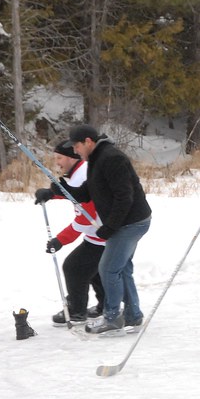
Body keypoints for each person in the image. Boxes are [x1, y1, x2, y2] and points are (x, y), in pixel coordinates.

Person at [57, 124, 152, 335]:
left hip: (132, 222)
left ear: (88, 142)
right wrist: (58, 190)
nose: (74, 151)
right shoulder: (96, 158)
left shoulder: (111, 158)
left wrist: (110, 227)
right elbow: (88, 192)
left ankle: (112, 318)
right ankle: (133, 316)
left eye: (77, 146)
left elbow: (124, 196)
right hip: (127, 221)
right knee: (122, 268)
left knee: (108, 269)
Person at [34, 139, 106, 326]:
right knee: (94, 269)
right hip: (98, 234)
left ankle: (76, 311)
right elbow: (75, 193)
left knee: (73, 267)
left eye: (59, 157)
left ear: (72, 158)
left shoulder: (82, 174)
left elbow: (86, 216)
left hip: (102, 234)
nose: (56, 162)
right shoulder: (79, 172)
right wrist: (51, 194)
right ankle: (105, 305)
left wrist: (61, 240)